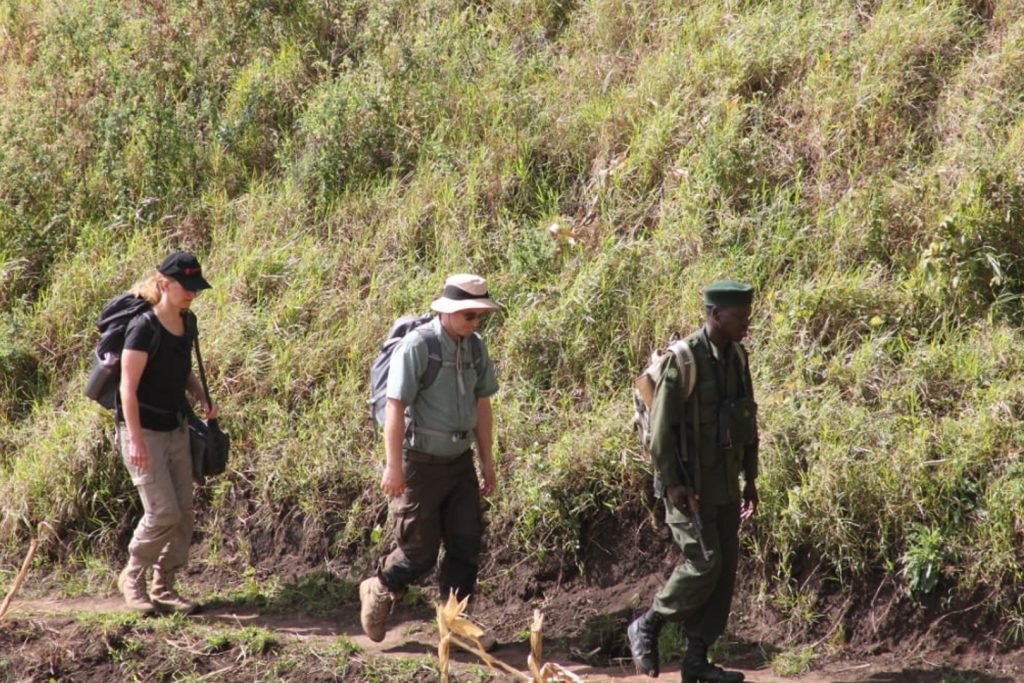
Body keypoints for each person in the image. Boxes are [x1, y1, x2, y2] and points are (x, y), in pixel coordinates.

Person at [628, 280, 759, 683]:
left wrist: (751, 479)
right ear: (715, 314)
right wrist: (672, 485)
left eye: (747, 316)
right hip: (686, 488)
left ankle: (696, 662)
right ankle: (648, 624)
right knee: (705, 563)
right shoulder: (683, 360)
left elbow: (747, 421)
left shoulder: (737, 358)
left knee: (725, 571)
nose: (746, 324)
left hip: (725, 486)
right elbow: (663, 431)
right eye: (739, 317)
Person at [359, 273, 501, 643]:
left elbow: (481, 406)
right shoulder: (418, 346)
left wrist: (487, 461)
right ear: (448, 311)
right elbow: (394, 406)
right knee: (419, 552)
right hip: (419, 462)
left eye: (478, 316)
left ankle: (455, 624)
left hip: (459, 462)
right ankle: (379, 586)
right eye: (468, 315)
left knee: (466, 544)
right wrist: (393, 465)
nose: (474, 322)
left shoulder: (475, 347)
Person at [117, 251, 219, 614]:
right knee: (162, 513)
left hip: (176, 428)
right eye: (185, 286)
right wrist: (138, 441)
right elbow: (127, 388)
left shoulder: (186, 322)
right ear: (164, 284)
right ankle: (132, 577)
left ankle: (164, 587)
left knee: (185, 514)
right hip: (142, 432)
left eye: (195, 287)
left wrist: (202, 396)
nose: (192, 293)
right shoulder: (143, 328)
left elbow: (183, 370)